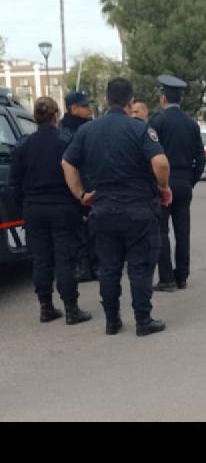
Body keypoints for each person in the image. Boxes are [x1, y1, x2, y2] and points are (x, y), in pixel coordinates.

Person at [62, 77, 171, 337]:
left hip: (103, 208)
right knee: (140, 267)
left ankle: (112, 321)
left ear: (107, 100)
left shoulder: (87, 130)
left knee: (109, 268)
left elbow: (67, 163)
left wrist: (81, 195)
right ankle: (143, 320)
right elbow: (161, 163)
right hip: (137, 209)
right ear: (130, 101)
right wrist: (163, 186)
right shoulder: (139, 128)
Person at [8, 97, 92, 325]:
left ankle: (46, 307)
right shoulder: (66, 141)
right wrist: (82, 204)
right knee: (65, 259)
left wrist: (22, 208)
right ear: (56, 116)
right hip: (63, 207)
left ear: (35, 117)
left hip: (34, 208)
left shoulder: (23, 144)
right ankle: (71, 309)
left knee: (41, 259)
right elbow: (79, 175)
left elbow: (14, 182)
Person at [148, 75, 205, 292]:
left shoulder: (157, 121)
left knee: (162, 231)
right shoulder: (191, 123)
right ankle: (182, 276)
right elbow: (200, 157)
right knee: (183, 232)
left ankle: (166, 279)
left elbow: (150, 155)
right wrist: (191, 180)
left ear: (163, 97)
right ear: (180, 99)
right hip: (184, 182)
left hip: (163, 183)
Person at [60, 90, 97, 283]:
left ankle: (92, 264)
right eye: (85, 105)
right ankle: (85, 266)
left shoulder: (87, 127)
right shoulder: (67, 132)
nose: (89, 108)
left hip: (89, 185)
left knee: (93, 228)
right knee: (79, 229)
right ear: (74, 108)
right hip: (77, 187)